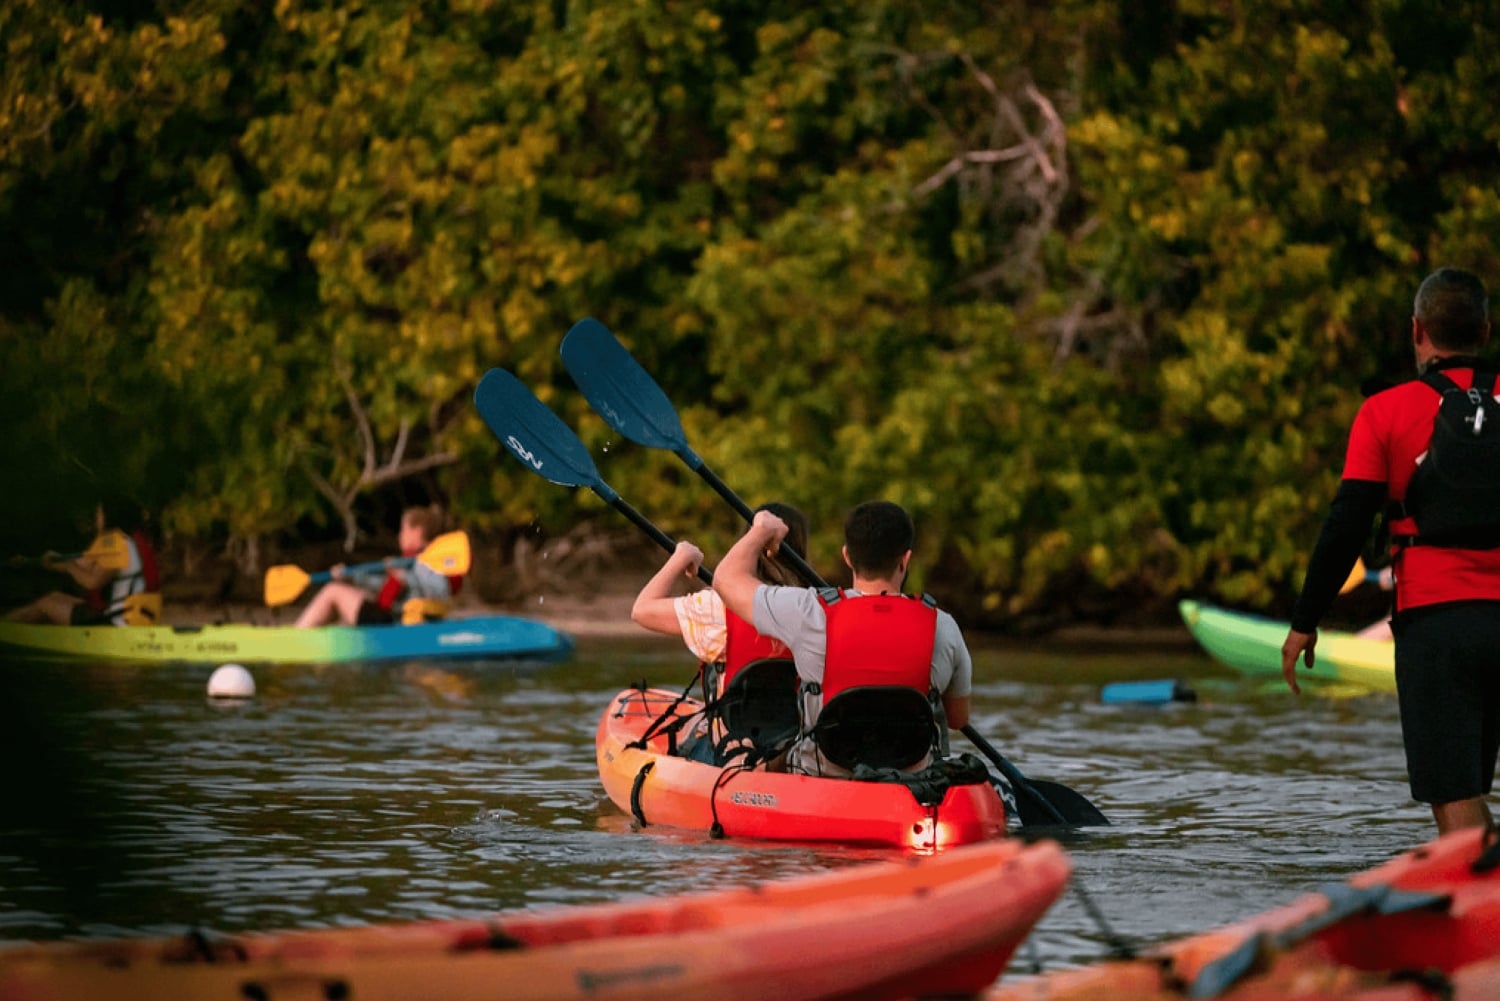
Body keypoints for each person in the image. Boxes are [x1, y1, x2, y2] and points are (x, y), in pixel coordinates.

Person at [1280, 266, 1500, 835]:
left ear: (1417, 330)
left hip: (1436, 622)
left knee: (1454, 791)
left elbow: (1347, 524)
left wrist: (1306, 620)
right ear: (1484, 330)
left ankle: (1480, 882)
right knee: (1472, 789)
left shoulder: (1385, 411)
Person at [714, 499, 973, 778]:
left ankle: (752, 774)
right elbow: (958, 719)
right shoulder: (943, 625)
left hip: (822, 773)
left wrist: (761, 530)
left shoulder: (809, 611)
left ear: (847, 556)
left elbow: (726, 580)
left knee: (770, 756)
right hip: (909, 776)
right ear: (906, 559)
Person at [630, 502, 810, 762]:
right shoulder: (816, 607)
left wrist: (680, 557)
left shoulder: (715, 608)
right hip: (797, 742)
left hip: (734, 744)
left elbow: (642, 610)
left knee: (693, 729)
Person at [295, 505, 461, 627]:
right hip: (397, 618)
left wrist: (402, 576)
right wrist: (350, 577)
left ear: (417, 532)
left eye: (403, 530)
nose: (400, 536)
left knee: (333, 591)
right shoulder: (424, 561)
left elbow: (437, 590)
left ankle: (295, 637)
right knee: (355, 593)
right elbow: (384, 588)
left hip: (393, 623)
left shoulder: (424, 562)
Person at [5, 504, 161, 626]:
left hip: (117, 619)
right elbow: (83, 563)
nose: (96, 517)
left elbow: (92, 582)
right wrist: (37, 561)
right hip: (136, 614)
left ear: (111, 516)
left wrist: (67, 565)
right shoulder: (130, 539)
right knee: (54, 597)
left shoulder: (112, 541)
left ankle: (6, 631)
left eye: (99, 513)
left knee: (45, 604)